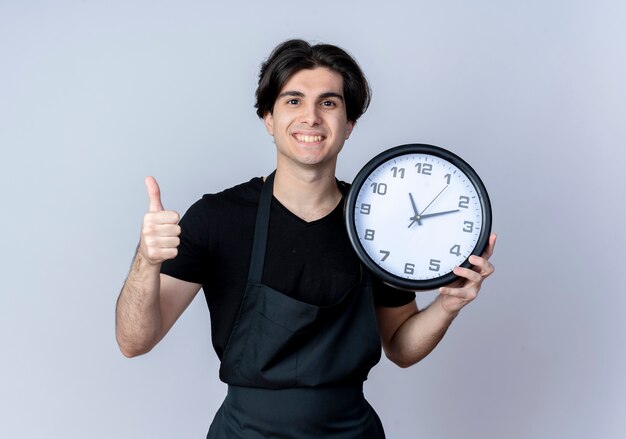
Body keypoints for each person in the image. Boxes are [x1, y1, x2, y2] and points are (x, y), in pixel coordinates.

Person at [115, 39, 496, 438]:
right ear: (268, 118)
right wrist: (146, 260)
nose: (311, 117)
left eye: (328, 103)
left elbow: (400, 347)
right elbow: (134, 342)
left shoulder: (381, 225)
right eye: (293, 101)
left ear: (349, 125)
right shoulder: (217, 218)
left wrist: (448, 305)